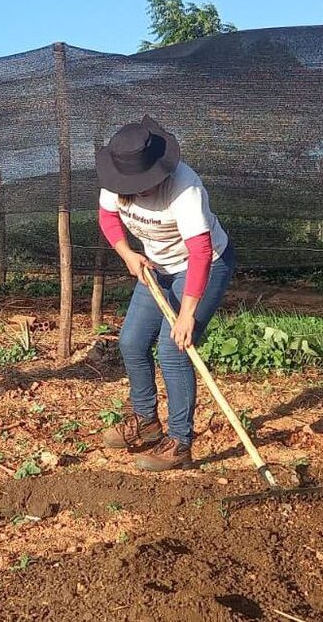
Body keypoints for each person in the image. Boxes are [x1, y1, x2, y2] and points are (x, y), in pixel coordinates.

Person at [95, 115, 236, 472]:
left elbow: (202, 252)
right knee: (130, 342)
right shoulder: (115, 180)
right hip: (156, 267)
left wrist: (187, 313)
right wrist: (128, 254)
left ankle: (180, 443)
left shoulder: (185, 187)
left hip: (203, 265)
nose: (140, 188)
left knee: (173, 350)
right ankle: (146, 424)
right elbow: (107, 218)